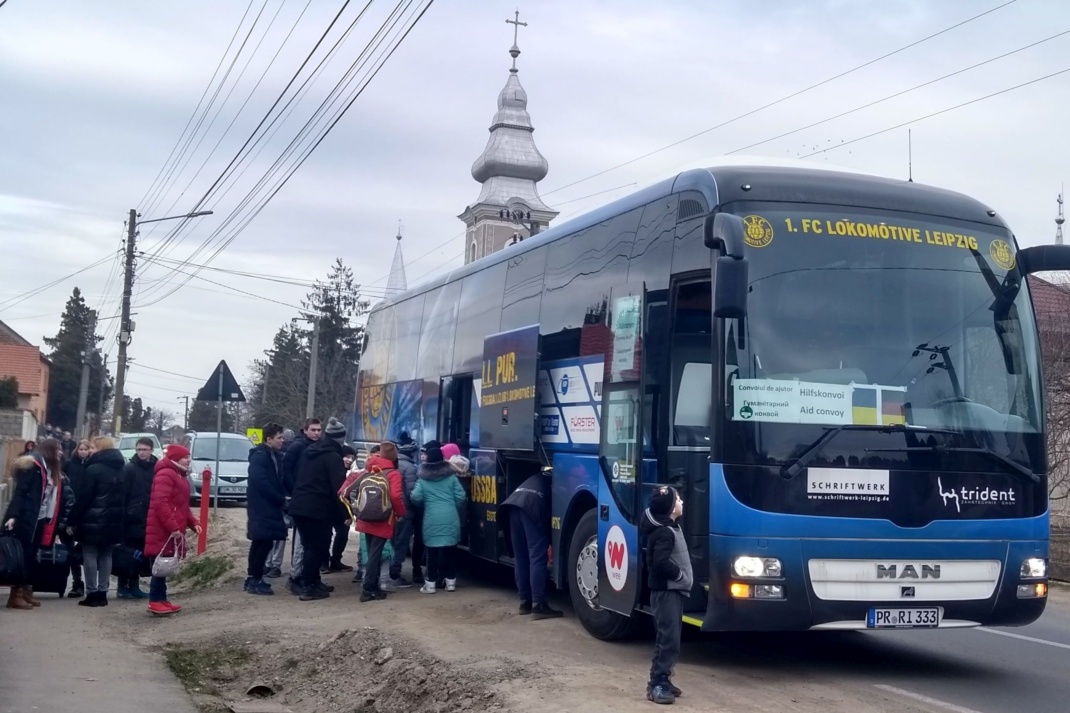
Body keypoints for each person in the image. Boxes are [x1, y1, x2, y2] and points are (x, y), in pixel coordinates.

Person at [3, 438, 73, 610]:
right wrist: (13, 516)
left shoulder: (49, 469)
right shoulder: (32, 466)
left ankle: (26, 591)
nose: (60, 453)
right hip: (26, 518)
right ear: (49, 450)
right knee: (22, 556)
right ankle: (15, 595)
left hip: (40, 518)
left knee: (32, 555)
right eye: (58, 450)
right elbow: (20, 493)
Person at [640, 486, 692, 705]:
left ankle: (665, 678)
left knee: (672, 638)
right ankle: (657, 682)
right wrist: (680, 576)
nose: (682, 502)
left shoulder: (671, 528)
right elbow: (659, 562)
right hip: (666, 593)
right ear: (671, 508)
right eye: (678, 500)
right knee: (667, 638)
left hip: (673, 592)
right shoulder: (664, 533)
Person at [287, 417, 349, 601]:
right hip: (317, 509)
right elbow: (339, 488)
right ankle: (309, 587)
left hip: (300, 505)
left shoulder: (310, 451)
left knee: (310, 546)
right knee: (316, 547)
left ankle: (314, 580)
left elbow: (298, 475)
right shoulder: (333, 457)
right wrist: (346, 513)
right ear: (340, 439)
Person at [145, 444, 202, 616]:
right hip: (162, 529)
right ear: (176, 459)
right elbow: (160, 503)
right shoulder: (166, 474)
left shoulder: (179, 475)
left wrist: (192, 522)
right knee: (161, 565)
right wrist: (173, 527)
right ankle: (155, 600)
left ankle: (162, 599)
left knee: (166, 564)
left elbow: (181, 506)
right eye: (186, 457)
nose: (189, 459)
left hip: (170, 529)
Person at [498, 469, 562, 620]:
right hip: (532, 507)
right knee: (537, 557)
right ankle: (538, 604)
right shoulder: (561, 480)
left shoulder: (540, 476)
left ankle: (525, 602)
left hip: (513, 506)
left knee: (521, 558)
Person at [69, 436, 126, 607]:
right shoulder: (121, 468)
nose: (90, 450)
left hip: (92, 520)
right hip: (114, 520)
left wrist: (72, 520)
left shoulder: (93, 469)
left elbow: (83, 498)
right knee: (106, 555)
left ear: (100, 449)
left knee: (90, 555)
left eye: (93, 447)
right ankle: (103, 593)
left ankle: (92, 593)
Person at [411, 440, 466, 594]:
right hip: (450, 516)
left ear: (428, 459)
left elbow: (415, 497)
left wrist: (425, 504)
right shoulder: (451, 477)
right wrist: (451, 505)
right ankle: (450, 583)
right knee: (450, 551)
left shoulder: (423, 480)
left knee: (432, 553)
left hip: (431, 517)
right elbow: (461, 496)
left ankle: (430, 584)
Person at [353, 448, 406, 602]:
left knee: (371, 553)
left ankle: (373, 586)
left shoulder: (371, 468)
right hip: (382, 519)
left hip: (365, 518)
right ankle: (368, 589)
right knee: (376, 555)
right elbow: (396, 496)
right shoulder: (393, 473)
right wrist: (400, 513)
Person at [245, 423, 287, 596]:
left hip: (267, 506)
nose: (282, 441)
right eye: (279, 437)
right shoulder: (260, 456)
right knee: (262, 542)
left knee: (263, 541)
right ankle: (255, 578)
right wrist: (278, 498)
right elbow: (260, 481)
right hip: (262, 506)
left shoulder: (273, 456)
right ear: (269, 439)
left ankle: (254, 577)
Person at [282, 418, 321, 594]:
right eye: (313, 430)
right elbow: (286, 471)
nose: (316, 433)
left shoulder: (318, 447)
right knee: (299, 543)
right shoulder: (297, 447)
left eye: (319, 430)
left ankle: (309, 576)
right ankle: (295, 577)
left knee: (310, 544)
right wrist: (295, 490)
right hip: (300, 499)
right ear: (305, 430)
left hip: (312, 500)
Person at [117, 436, 157, 599]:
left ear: (151, 450)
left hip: (149, 516)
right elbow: (123, 495)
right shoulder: (129, 468)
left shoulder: (156, 468)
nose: (142, 453)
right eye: (139, 449)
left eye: (145, 450)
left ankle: (134, 585)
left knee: (141, 553)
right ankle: (122, 586)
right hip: (132, 517)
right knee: (128, 553)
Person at [264, 428, 297, 579]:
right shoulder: (282, 457)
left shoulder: (276, 457)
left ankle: (271, 564)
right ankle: (274, 565)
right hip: (286, 498)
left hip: (280, 498)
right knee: (280, 534)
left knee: (274, 533)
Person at [62, 439, 92, 599]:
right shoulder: (68, 464)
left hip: (85, 512)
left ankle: (82, 582)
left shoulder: (91, 467)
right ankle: (76, 581)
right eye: (80, 449)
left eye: (85, 449)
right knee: (69, 548)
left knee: (82, 550)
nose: (83, 452)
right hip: (69, 510)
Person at [391, 432, 421, 585]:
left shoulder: (391, 464)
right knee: (401, 543)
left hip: (388, 511)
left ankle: (385, 572)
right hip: (404, 512)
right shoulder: (410, 468)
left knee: (389, 541)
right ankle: (395, 574)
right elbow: (411, 495)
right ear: (412, 452)